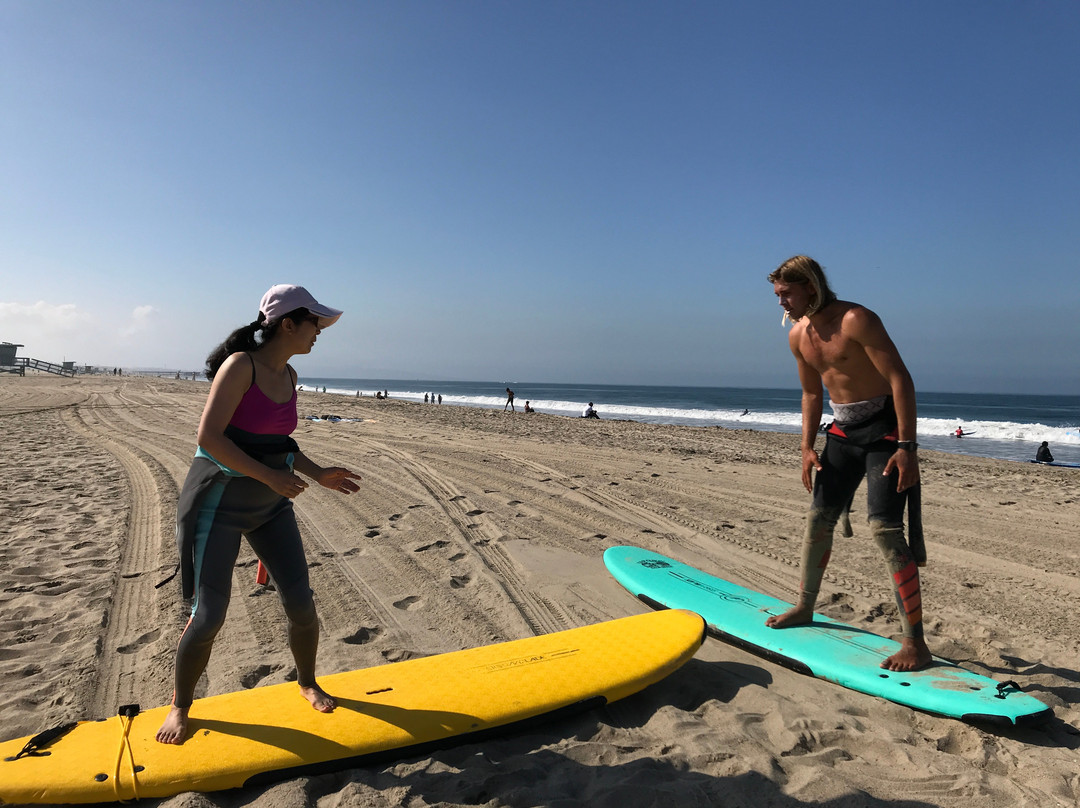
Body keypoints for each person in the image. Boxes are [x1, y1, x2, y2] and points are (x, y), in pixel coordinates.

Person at [156, 284, 362, 744]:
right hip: (218, 506)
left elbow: (280, 443)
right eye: (315, 324)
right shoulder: (239, 367)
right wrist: (270, 478)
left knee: (302, 604)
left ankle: (306, 681)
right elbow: (210, 437)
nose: (319, 333)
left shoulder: (288, 375)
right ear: (288, 324)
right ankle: (180, 705)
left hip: (269, 509)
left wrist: (319, 472)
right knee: (208, 616)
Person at [767, 256, 930, 672]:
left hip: (885, 432)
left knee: (885, 530)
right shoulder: (798, 336)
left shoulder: (856, 320)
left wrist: (907, 447)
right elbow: (811, 395)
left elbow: (900, 379)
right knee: (818, 519)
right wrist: (806, 448)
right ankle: (804, 606)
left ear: (810, 285)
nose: (781, 303)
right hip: (842, 432)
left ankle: (915, 643)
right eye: (778, 295)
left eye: (787, 293)